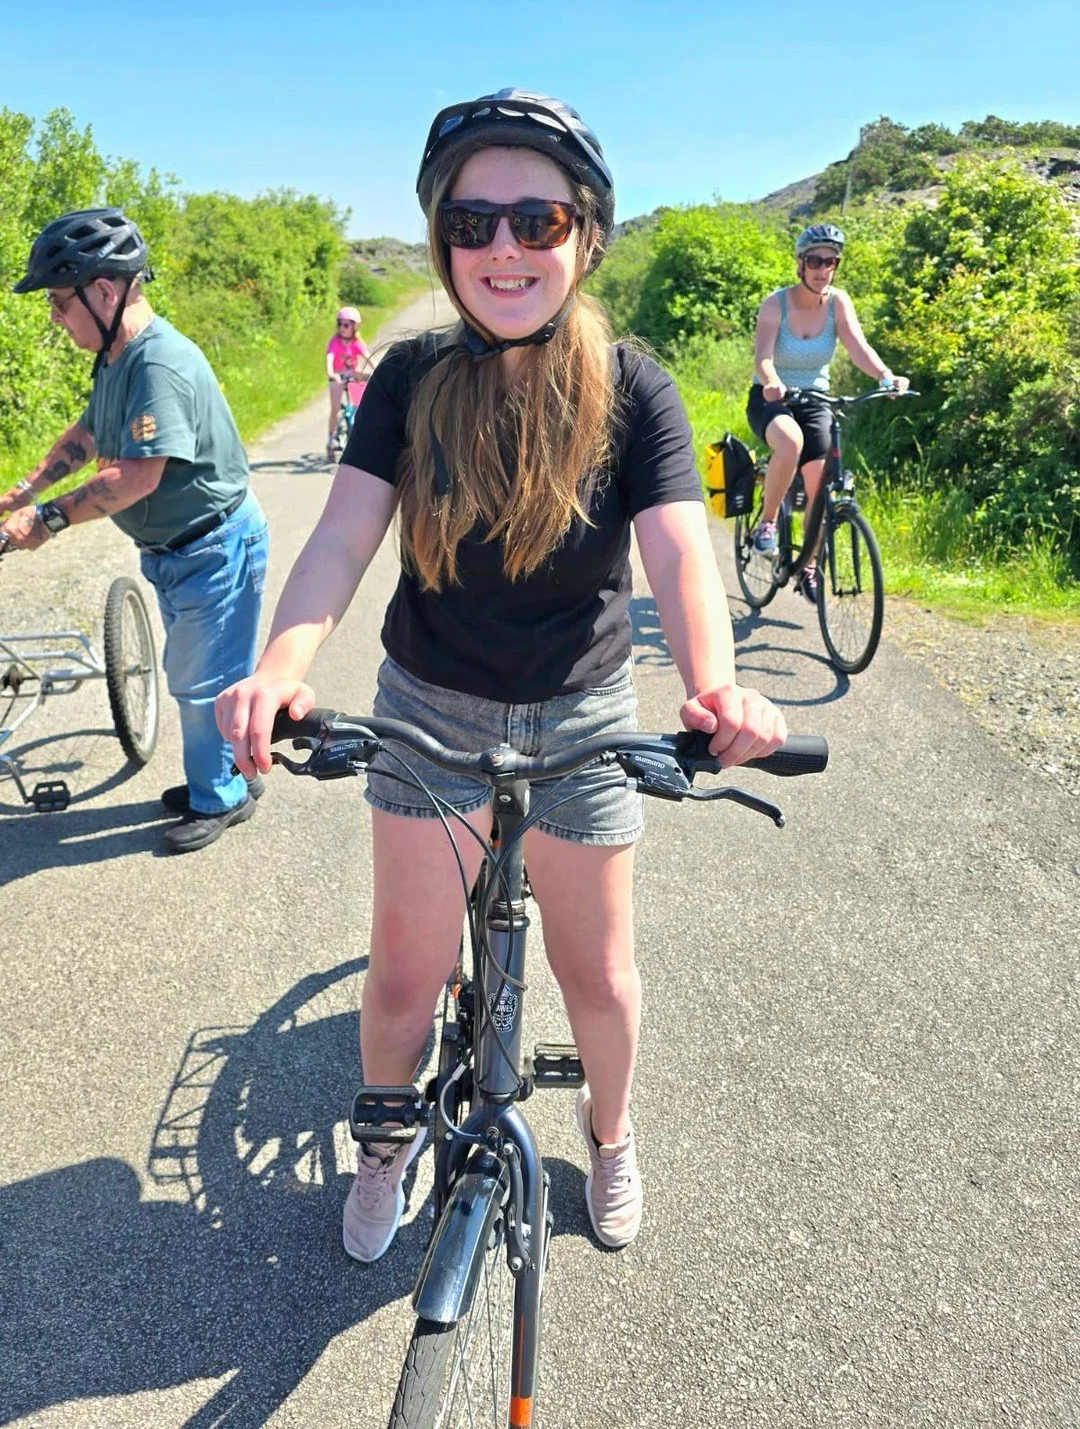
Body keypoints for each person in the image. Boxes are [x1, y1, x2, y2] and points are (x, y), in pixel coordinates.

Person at [216, 89, 788, 1262]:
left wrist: (716, 687)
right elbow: (339, 540)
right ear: (442, 240)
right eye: (472, 225)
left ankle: (613, 1132)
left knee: (605, 982)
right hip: (429, 708)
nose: (505, 250)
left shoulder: (636, 387)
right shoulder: (412, 379)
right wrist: (279, 669)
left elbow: (681, 549)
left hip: (582, 707)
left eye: (539, 219)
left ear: (586, 233)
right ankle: (386, 1142)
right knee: (403, 976)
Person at [0, 208, 269, 853]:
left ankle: (222, 795)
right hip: (178, 553)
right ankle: (228, 772)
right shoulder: (118, 358)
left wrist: (49, 519)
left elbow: (137, 477)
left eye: (60, 303)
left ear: (103, 291)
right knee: (205, 677)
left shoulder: (159, 364)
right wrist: (28, 488)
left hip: (213, 548)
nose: (55, 319)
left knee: (202, 684)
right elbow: (89, 433)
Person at [746, 223, 909, 602]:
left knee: (821, 484)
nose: (823, 269)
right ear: (800, 264)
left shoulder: (839, 302)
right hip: (773, 398)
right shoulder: (776, 304)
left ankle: (809, 566)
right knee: (790, 442)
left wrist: (886, 376)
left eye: (830, 261)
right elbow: (763, 358)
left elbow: (858, 347)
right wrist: (771, 381)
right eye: (815, 260)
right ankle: (767, 525)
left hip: (816, 400)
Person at [325, 306, 372, 461]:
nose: (342, 328)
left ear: (354, 326)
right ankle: (331, 439)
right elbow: (330, 358)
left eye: (346, 325)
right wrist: (331, 373)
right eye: (340, 324)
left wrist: (377, 371)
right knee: (336, 410)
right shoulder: (335, 342)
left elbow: (368, 358)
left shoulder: (357, 343)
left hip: (353, 376)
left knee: (360, 408)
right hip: (338, 377)